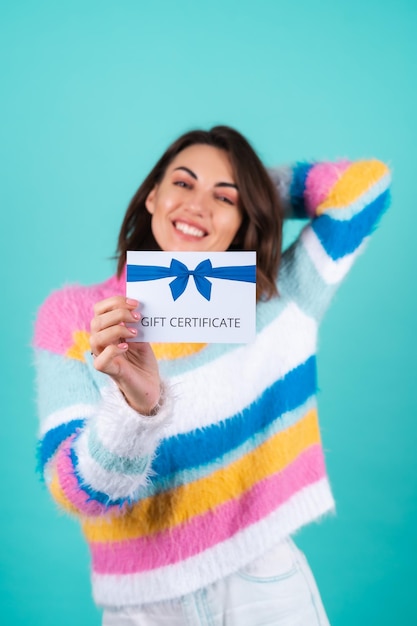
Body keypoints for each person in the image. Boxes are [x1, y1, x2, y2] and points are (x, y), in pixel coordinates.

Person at [34, 126, 391, 625]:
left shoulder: (282, 295)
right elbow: (76, 492)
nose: (199, 205)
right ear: (152, 196)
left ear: (248, 214)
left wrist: (253, 186)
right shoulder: (78, 318)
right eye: (182, 184)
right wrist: (136, 409)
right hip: (143, 606)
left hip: (262, 580)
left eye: (225, 197)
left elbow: (364, 190)